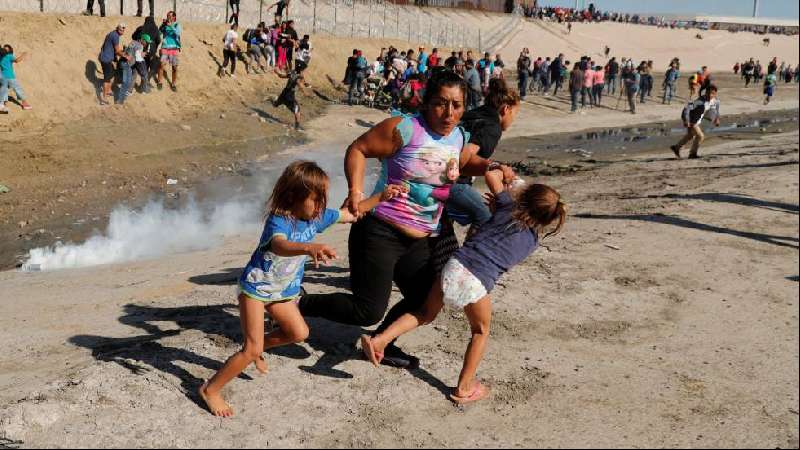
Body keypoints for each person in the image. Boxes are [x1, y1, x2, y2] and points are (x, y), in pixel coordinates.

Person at [298, 71, 517, 369]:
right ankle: (297, 304)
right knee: (367, 309)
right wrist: (355, 191)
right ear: (427, 103)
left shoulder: (458, 136)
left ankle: (382, 342)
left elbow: (463, 163)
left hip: (420, 237)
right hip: (379, 230)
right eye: (440, 103)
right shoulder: (405, 128)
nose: (449, 113)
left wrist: (492, 165)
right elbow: (358, 149)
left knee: (425, 299)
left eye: (456, 105)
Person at [198, 160, 408, 418]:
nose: (321, 207)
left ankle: (257, 349)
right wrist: (309, 248)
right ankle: (211, 389)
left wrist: (382, 196)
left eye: (323, 200)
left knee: (298, 332)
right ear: (292, 197)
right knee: (251, 348)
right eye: (315, 200)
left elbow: (352, 214)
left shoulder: (317, 218)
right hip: (256, 289)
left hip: (282, 292)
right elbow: (279, 245)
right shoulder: (280, 221)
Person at [361, 175, 567, 405]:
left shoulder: (506, 205)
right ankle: (464, 387)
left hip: (454, 264)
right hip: (476, 280)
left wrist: (509, 178)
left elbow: (493, 176)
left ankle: (380, 340)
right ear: (548, 219)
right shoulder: (532, 241)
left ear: (524, 197)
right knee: (480, 332)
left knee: (424, 314)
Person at [448, 78, 520, 228]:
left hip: (432, 171)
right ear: (506, 109)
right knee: (486, 218)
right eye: (514, 114)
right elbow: (462, 157)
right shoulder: (492, 127)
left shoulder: (473, 113)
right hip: (451, 182)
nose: (513, 119)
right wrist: (494, 166)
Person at [670, 84, 720, 159]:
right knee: (700, 136)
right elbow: (686, 109)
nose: (710, 95)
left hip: (698, 120)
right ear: (705, 92)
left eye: (712, 93)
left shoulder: (715, 101)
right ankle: (692, 154)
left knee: (690, 136)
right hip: (692, 120)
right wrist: (686, 120)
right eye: (709, 93)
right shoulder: (699, 101)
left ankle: (676, 147)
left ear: (715, 94)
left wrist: (717, 118)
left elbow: (716, 110)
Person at [273, 62, 311, 130]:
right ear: (301, 70)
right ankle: (297, 126)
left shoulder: (292, 73)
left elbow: (281, 76)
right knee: (297, 109)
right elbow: (300, 85)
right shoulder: (299, 76)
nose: (304, 71)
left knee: (276, 104)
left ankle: (274, 101)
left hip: (284, 92)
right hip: (290, 95)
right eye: (303, 70)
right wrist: (306, 94)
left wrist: (277, 72)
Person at [98, 23, 127, 106]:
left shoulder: (112, 34)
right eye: (121, 29)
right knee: (107, 78)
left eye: (124, 29)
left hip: (105, 58)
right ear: (117, 28)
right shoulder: (115, 36)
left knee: (112, 74)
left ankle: (109, 91)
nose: (123, 31)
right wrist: (125, 55)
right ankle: (103, 98)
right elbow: (117, 51)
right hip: (106, 59)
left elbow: (106, 46)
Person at [0, 45, 32, 113]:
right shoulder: (9, 56)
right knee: (17, 88)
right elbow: (17, 60)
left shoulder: (1, 57)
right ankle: (25, 104)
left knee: (5, 90)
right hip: (10, 77)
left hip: (3, 77)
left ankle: (3, 105)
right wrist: (23, 55)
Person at [133, 18, 161, 90]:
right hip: (151, 52)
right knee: (150, 67)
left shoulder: (141, 28)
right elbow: (158, 40)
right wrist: (155, 47)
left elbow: (133, 36)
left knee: (142, 67)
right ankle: (145, 84)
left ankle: (141, 84)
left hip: (140, 51)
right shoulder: (155, 30)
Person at [158, 11, 182, 92]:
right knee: (161, 65)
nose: (168, 17)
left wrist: (170, 26)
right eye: (167, 16)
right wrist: (162, 25)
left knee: (174, 67)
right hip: (165, 47)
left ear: (174, 17)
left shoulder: (177, 25)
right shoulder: (165, 25)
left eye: (170, 16)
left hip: (174, 49)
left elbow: (178, 33)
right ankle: (160, 81)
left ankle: (173, 84)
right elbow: (159, 33)